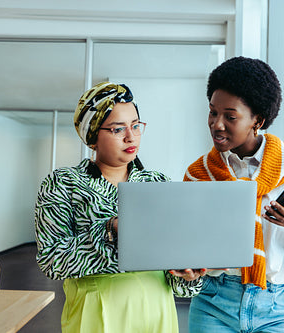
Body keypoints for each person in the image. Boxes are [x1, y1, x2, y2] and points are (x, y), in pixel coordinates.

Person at [35, 81, 203, 333]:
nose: (131, 136)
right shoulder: (62, 183)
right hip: (95, 312)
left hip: (157, 310)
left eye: (136, 126)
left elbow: (176, 270)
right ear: (92, 136)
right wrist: (110, 230)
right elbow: (51, 261)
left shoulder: (158, 183)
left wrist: (188, 274)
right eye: (117, 129)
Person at [183, 56, 284, 332]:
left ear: (258, 120)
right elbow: (189, 242)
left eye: (230, 116)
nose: (217, 124)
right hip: (215, 303)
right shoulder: (199, 174)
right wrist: (191, 265)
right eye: (212, 112)